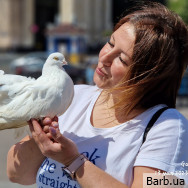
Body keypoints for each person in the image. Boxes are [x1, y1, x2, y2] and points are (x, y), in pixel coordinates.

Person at [7, 2, 188, 188]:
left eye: (122, 59)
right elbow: (15, 174)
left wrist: (74, 161)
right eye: (110, 43)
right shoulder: (73, 96)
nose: (104, 57)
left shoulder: (170, 129)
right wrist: (41, 143)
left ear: (148, 76)